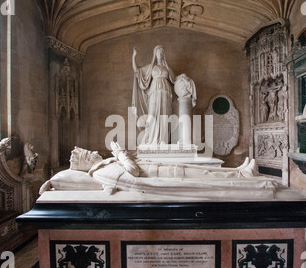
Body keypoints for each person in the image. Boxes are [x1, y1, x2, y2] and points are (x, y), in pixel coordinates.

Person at [39, 142, 286, 201]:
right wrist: (119, 152)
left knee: (205, 172)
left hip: (162, 168)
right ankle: (242, 177)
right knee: (205, 177)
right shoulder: (101, 173)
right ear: (84, 165)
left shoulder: (103, 165)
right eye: (86, 155)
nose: (91, 153)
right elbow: (133, 171)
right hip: (162, 177)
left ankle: (239, 172)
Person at [132, 45, 176, 145]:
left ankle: (163, 140)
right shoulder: (151, 67)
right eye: (158, 52)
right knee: (152, 115)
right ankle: (150, 140)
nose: (160, 54)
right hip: (154, 92)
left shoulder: (167, 68)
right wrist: (133, 57)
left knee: (164, 115)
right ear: (155, 55)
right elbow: (137, 71)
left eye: (161, 52)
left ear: (163, 55)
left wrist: (184, 77)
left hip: (165, 92)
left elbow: (175, 79)